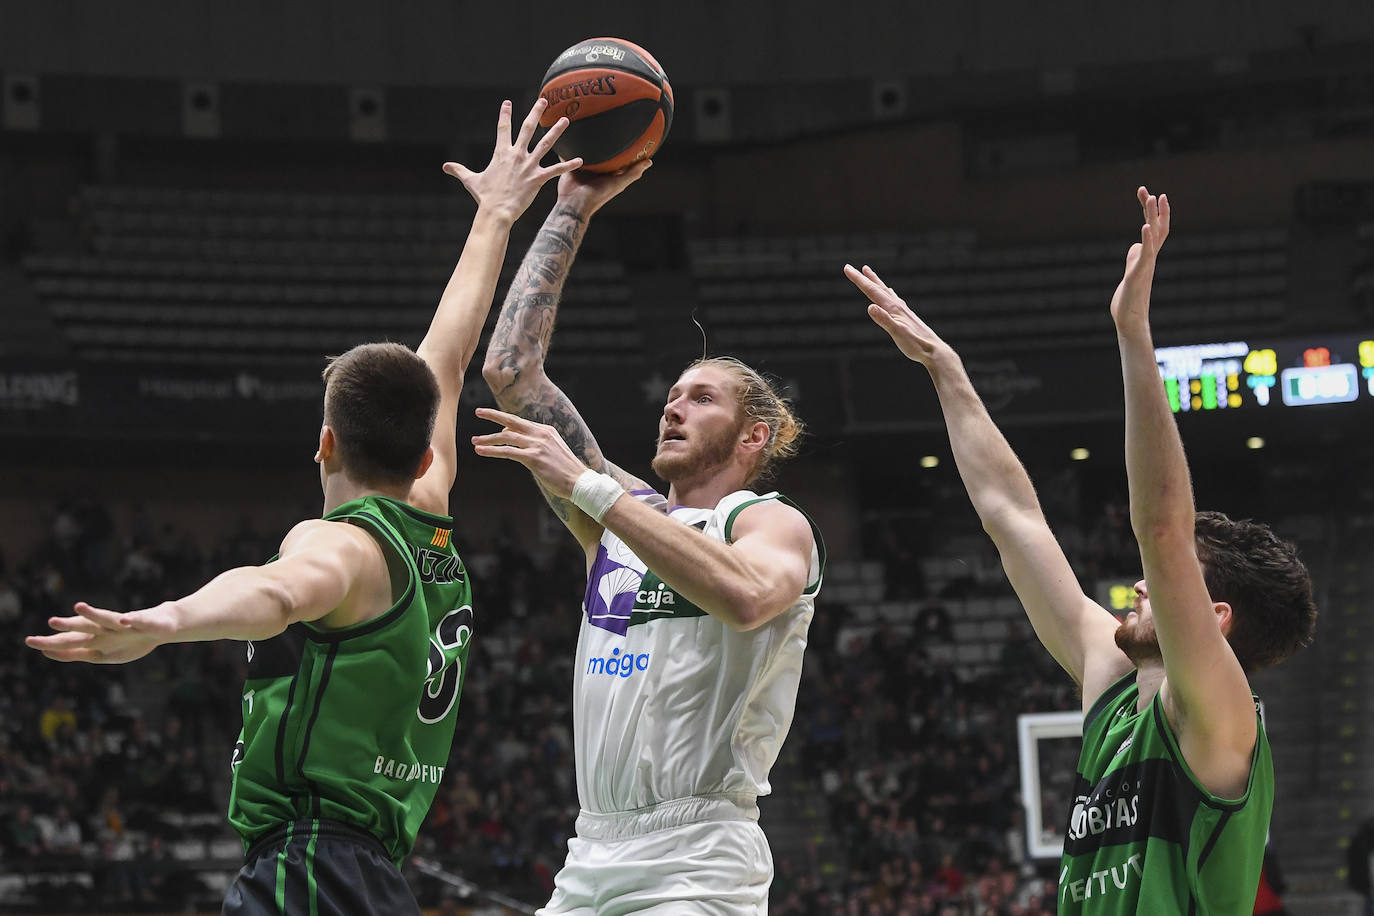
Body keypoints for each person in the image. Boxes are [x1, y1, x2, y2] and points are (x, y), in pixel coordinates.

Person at [26, 99, 582, 914]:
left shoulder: (340, 545)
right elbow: (450, 353)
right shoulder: (430, 504)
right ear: (427, 451)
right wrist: (497, 216)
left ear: (324, 445)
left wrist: (165, 622)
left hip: (309, 868)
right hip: (373, 875)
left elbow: (276, 592)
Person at [846, 187, 1316, 914]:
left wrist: (1133, 332)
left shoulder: (1223, 715)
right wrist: (946, 371)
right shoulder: (1114, 685)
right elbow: (1014, 518)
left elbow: (1161, 527)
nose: (1139, 584)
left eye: (1166, 582)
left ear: (1215, 616)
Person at [475, 166, 825, 912]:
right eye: (670, 397)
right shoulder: (622, 516)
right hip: (590, 852)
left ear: (753, 435)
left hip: (698, 858)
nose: (674, 408)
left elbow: (747, 595)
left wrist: (591, 486)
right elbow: (508, 369)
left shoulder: (765, 520)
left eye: (702, 399)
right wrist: (571, 208)